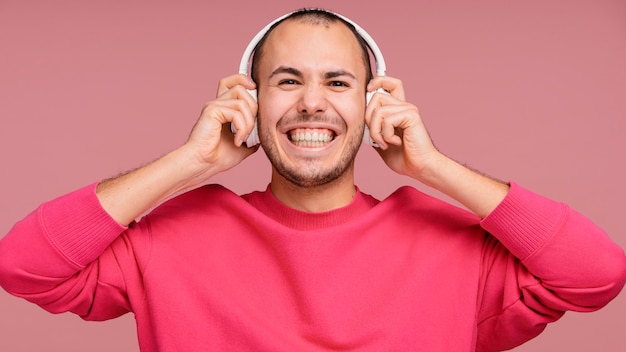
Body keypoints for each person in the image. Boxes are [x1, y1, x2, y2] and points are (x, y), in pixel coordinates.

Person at [0, 7, 625, 352]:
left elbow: (597, 275)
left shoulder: (450, 246)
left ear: (374, 103)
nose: (311, 104)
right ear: (250, 100)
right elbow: (23, 266)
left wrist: (432, 167)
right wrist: (193, 162)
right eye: (289, 80)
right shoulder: (172, 237)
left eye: (337, 82)